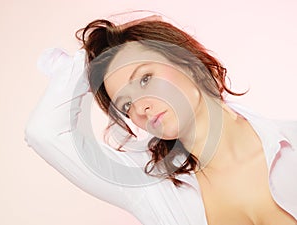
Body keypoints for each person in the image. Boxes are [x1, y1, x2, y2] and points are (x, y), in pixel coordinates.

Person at [24, 14, 297, 225]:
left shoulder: (291, 141)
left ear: (186, 61)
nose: (141, 106)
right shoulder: (152, 189)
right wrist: (81, 69)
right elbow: (44, 133)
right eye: (126, 104)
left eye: (145, 78)